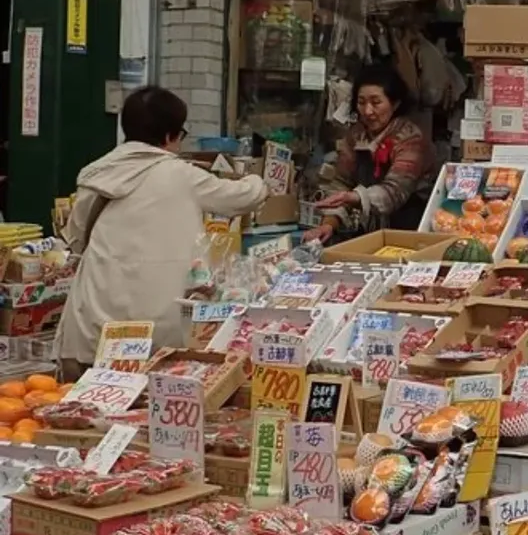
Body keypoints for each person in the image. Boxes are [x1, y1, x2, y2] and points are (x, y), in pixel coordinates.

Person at [57, 86, 267, 379]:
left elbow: (76, 238)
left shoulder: (95, 175)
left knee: (91, 407)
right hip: (157, 336)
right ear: (169, 136)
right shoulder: (182, 175)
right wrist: (259, 179)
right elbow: (242, 196)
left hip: (93, 329)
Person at [307, 63, 435, 242]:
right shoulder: (356, 135)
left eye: (376, 103)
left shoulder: (411, 138)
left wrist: (355, 196)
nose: (368, 111)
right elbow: (341, 182)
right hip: (370, 230)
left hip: (410, 229)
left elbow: (394, 191)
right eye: (361, 103)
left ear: (395, 103)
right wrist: (329, 223)